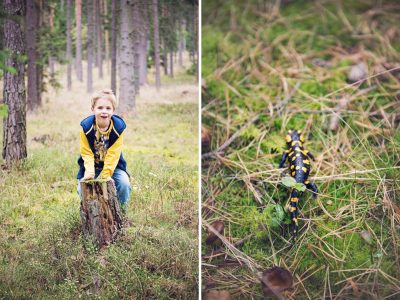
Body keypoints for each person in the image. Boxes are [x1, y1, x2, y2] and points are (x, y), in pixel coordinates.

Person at [77, 89, 131, 213]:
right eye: (100, 108)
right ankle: (90, 215)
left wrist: (106, 175)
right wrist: (89, 173)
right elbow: (86, 153)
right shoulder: (86, 128)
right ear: (93, 109)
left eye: (108, 108)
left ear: (113, 110)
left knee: (124, 184)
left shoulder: (118, 129)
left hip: (114, 167)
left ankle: (122, 214)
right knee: (82, 188)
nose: (104, 111)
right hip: (91, 167)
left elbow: (113, 154)